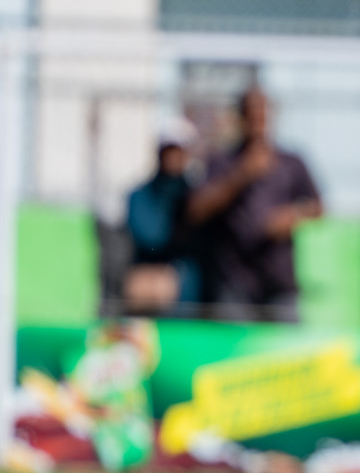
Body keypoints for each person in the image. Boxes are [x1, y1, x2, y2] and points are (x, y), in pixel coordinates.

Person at [186, 88, 322, 322]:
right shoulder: (221, 162)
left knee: (286, 354)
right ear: (240, 118)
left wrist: (293, 215)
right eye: (251, 116)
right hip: (234, 282)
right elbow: (196, 210)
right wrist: (242, 175)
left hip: (279, 283)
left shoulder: (291, 162)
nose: (257, 123)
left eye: (262, 116)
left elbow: (318, 206)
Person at [123, 127, 200, 314]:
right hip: (148, 278)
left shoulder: (197, 195)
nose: (173, 157)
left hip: (187, 289)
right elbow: (150, 239)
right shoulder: (140, 195)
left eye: (179, 152)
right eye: (169, 151)